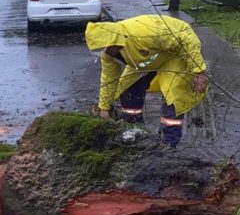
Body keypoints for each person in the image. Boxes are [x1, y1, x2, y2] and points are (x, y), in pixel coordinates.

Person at [85, 15, 209, 147]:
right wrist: (104, 108)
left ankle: (169, 144)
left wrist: (198, 71)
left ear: (113, 40)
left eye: (105, 47)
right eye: (100, 49)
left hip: (176, 53)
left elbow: (185, 39)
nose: (104, 52)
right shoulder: (109, 55)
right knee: (127, 88)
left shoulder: (143, 34)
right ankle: (136, 132)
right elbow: (108, 79)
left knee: (173, 97)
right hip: (146, 61)